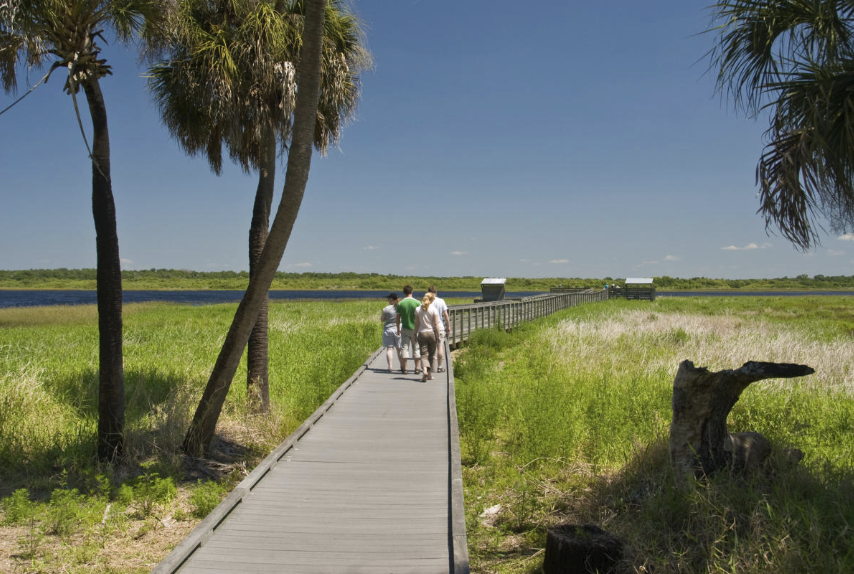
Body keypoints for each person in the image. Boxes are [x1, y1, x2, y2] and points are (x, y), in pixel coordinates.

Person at [414, 292, 441, 382]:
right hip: (432, 333)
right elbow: (436, 324)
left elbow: (417, 324)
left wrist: (415, 334)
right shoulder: (434, 309)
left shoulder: (418, 309)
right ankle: (429, 375)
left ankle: (424, 370)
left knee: (424, 354)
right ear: (431, 300)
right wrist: (439, 335)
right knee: (432, 354)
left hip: (422, 333)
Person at [396, 285, 421, 374]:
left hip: (405, 328)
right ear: (412, 292)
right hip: (416, 329)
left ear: (404, 292)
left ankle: (405, 368)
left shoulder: (401, 303)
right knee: (416, 348)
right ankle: (417, 368)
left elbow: (398, 317)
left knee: (404, 348)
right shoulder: (418, 303)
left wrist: (398, 328)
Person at [427, 285, 451, 372]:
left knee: (430, 349)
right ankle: (439, 366)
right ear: (436, 292)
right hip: (440, 327)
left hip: (429, 327)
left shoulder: (427, 301)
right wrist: (448, 326)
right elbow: (445, 315)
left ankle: (430, 366)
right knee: (440, 347)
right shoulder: (441, 301)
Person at [380, 293, 402, 372]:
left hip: (388, 329)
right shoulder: (400, 307)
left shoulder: (386, 309)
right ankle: (402, 366)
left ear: (391, 300)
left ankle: (390, 366)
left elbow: (382, 319)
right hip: (399, 330)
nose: (388, 300)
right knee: (399, 349)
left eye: (388, 299)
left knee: (389, 349)